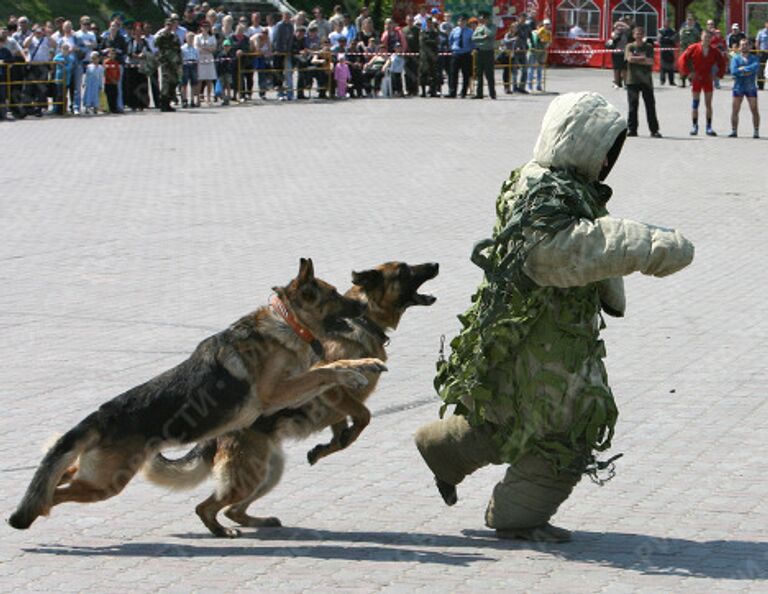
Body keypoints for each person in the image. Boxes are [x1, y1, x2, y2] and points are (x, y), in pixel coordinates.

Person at [415, 91, 694, 543]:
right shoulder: (544, 191)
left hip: (539, 333)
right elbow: (554, 253)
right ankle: (516, 518)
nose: (608, 161)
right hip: (542, 341)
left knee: (512, 416)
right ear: (582, 144)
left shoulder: (547, 181)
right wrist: (645, 243)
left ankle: (442, 448)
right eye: (605, 149)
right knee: (568, 430)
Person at [678, 29, 726, 135]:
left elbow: (722, 63)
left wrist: (718, 75)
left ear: (711, 39)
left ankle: (709, 127)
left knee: (708, 104)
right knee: (695, 103)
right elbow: (682, 59)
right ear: (701, 37)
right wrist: (688, 73)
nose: (707, 39)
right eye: (705, 37)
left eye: (709, 38)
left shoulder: (714, 51)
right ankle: (694, 126)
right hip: (697, 78)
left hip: (708, 78)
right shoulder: (693, 47)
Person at [625, 26, 661, 137]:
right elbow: (629, 59)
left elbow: (650, 62)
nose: (639, 36)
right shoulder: (629, 46)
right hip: (632, 80)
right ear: (633, 35)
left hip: (646, 81)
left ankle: (654, 130)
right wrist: (642, 58)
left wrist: (636, 59)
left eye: (641, 34)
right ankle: (632, 129)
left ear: (644, 35)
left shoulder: (649, 46)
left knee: (650, 106)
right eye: (637, 34)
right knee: (632, 106)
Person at [729, 38, 760, 138]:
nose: (744, 47)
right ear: (739, 47)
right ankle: (734, 131)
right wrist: (746, 72)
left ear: (750, 46)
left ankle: (756, 131)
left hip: (750, 87)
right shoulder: (735, 58)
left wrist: (742, 69)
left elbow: (755, 67)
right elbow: (733, 71)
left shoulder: (754, 58)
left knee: (754, 109)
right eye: (742, 45)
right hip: (738, 87)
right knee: (735, 110)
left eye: (746, 44)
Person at [155, 17, 182, 112]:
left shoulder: (175, 37)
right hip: (165, 63)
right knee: (165, 84)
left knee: (174, 82)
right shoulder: (161, 37)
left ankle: (169, 102)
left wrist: (179, 63)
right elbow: (156, 46)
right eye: (168, 25)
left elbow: (178, 50)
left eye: (171, 25)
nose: (169, 27)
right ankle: (164, 104)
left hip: (173, 63)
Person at [471, 10, 496, 100]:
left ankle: (492, 93)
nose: (483, 20)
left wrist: (482, 37)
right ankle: (479, 93)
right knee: (479, 73)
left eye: (484, 18)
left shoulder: (492, 27)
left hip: (488, 52)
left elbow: (490, 35)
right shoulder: (479, 27)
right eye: (482, 18)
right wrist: (482, 37)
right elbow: (473, 38)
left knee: (489, 74)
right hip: (479, 52)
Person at [447, 15, 472, 98]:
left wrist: (469, 49)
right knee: (453, 74)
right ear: (458, 22)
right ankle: (452, 92)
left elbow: (472, 42)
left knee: (466, 74)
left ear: (466, 22)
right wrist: (453, 49)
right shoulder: (454, 30)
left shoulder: (470, 31)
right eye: (460, 21)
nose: (461, 23)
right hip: (456, 54)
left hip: (466, 54)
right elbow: (450, 41)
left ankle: (463, 92)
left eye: (463, 21)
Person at [194, 20, 217, 105]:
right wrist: (207, 48)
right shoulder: (197, 37)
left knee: (209, 79)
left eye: (207, 26)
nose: (205, 28)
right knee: (200, 79)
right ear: (201, 27)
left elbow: (214, 48)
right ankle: (198, 99)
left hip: (209, 58)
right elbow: (197, 48)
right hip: (200, 59)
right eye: (203, 26)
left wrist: (205, 48)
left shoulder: (212, 37)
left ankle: (208, 98)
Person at [528, 18, 551, 92]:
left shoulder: (548, 33)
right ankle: (530, 86)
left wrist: (546, 43)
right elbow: (532, 42)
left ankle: (539, 85)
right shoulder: (534, 33)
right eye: (544, 25)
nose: (546, 26)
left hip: (541, 52)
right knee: (531, 69)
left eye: (547, 25)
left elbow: (548, 42)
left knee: (539, 70)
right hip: (534, 52)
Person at [418, 18, 440, 97]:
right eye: (428, 23)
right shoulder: (423, 32)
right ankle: (423, 91)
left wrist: (428, 41)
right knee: (423, 74)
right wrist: (430, 41)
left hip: (433, 56)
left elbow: (437, 42)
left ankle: (432, 91)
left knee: (433, 74)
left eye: (430, 23)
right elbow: (422, 42)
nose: (429, 24)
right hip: (424, 56)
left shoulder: (435, 32)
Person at [678, 14, 701, 88]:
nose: (689, 21)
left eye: (691, 20)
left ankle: (692, 81)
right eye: (688, 20)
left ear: (693, 21)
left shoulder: (696, 31)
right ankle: (682, 81)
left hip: (693, 51)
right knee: (682, 65)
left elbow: (698, 40)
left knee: (692, 66)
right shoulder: (682, 30)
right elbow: (680, 39)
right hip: (683, 50)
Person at [606, 20, 630, 88]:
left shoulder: (625, 33)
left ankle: (626, 83)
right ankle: (617, 83)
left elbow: (628, 27)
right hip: (616, 53)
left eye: (621, 27)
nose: (620, 28)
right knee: (616, 69)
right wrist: (618, 26)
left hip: (624, 53)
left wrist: (621, 24)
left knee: (624, 69)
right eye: (618, 27)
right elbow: (615, 39)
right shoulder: (614, 33)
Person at [181, 31, 199, 107]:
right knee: (184, 84)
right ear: (186, 38)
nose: (191, 39)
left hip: (194, 65)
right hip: (185, 65)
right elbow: (181, 58)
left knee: (193, 84)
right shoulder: (182, 48)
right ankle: (184, 100)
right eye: (189, 38)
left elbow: (198, 58)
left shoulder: (195, 48)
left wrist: (196, 64)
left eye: (192, 38)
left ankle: (192, 100)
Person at [103, 47, 121, 113]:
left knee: (114, 95)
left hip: (115, 82)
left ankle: (114, 108)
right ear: (108, 54)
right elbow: (105, 72)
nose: (112, 55)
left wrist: (117, 79)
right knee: (108, 96)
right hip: (108, 82)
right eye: (111, 54)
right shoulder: (106, 62)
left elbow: (118, 72)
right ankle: (108, 108)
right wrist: (111, 79)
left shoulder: (116, 62)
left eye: (114, 54)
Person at [756, 20, 768, 91]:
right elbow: (757, 42)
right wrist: (758, 51)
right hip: (763, 52)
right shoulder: (761, 32)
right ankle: (760, 85)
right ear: (765, 24)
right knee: (760, 69)